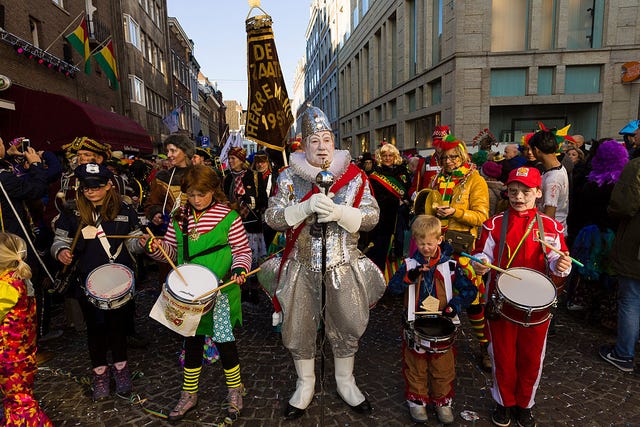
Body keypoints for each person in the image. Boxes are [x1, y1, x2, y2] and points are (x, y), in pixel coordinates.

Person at [263, 105, 386, 419]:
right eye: (314, 141)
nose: (321, 147)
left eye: (327, 140)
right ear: (304, 146)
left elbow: (372, 217)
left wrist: (342, 214)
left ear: (335, 142)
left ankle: (346, 381)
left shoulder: (356, 178)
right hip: (302, 265)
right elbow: (273, 217)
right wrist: (302, 210)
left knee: (347, 324)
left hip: (343, 264)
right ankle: (305, 383)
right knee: (298, 326)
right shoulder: (289, 177)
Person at [142, 165, 251, 421]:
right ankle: (189, 393)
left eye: (202, 194)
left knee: (225, 343)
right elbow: (170, 250)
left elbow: (242, 250)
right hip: (189, 295)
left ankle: (235, 390)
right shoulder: (180, 217)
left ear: (214, 190)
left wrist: (239, 268)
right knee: (191, 343)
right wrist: (154, 247)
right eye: (191, 194)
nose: (196, 199)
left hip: (220, 292)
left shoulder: (228, 217)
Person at [471, 166, 572, 427]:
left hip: (537, 308)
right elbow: (483, 255)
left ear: (538, 193)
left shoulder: (550, 226)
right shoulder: (493, 224)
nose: (518, 197)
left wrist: (562, 265)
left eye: (526, 192)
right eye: (514, 191)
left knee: (531, 357)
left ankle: (525, 404)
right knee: (502, 356)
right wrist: (480, 263)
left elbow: (557, 258)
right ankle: (503, 402)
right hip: (501, 303)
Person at [51, 163, 143, 401]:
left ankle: (121, 370)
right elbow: (58, 241)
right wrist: (61, 252)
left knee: (118, 328)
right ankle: (100, 373)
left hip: (120, 279)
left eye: (96, 187)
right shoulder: (72, 211)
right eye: (86, 187)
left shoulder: (123, 209)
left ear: (109, 185)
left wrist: (141, 243)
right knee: (96, 330)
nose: (90, 191)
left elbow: (133, 241)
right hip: (87, 280)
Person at [388, 215, 477, 424]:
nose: (425, 248)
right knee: (416, 366)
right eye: (420, 243)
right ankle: (417, 401)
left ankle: (442, 402)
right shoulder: (409, 264)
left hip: (442, 326)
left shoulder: (452, 266)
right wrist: (410, 277)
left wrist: (454, 305)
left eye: (429, 243)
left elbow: (470, 292)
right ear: (415, 242)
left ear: (439, 239)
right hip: (416, 325)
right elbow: (393, 288)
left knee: (443, 368)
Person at [415, 134, 491, 371]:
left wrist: (455, 212)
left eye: (453, 156)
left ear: (463, 155)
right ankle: (440, 341)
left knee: (473, 299)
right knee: (437, 296)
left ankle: (484, 346)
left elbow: (482, 216)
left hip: (463, 249)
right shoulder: (438, 178)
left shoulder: (475, 180)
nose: (448, 161)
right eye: (444, 157)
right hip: (438, 250)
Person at [0, 232, 54, 426]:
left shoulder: (6, 286)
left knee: (18, 402)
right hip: (23, 355)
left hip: (10, 359)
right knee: (17, 398)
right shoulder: (21, 279)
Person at [599, 152, 640, 372]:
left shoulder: (636, 167)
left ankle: (624, 353)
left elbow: (623, 206)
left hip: (636, 247)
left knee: (632, 299)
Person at [223, 147, 267, 304]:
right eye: (229, 158)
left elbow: (263, 200)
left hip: (252, 225)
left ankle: (254, 291)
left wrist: (250, 202)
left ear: (242, 160)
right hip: (234, 225)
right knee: (237, 258)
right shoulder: (227, 178)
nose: (230, 161)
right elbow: (223, 198)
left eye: (233, 158)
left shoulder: (254, 176)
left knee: (253, 260)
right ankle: (241, 290)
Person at [367, 143, 411, 270]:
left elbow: (407, 190)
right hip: (383, 219)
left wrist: (406, 200)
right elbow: (375, 197)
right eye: (384, 155)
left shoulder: (402, 171)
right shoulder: (375, 174)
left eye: (390, 155)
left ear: (395, 156)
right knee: (381, 249)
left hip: (401, 217)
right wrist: (396, 201)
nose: (387, 158)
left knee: (401, 248)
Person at [528, 129, 570, 235]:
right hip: (558, 229)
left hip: (551, 234)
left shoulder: (553, 179)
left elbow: (549, 215)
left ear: (536, 150)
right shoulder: (558, 168)